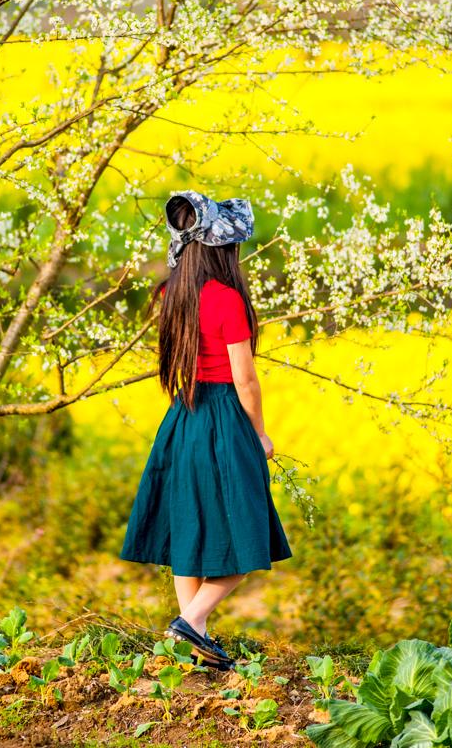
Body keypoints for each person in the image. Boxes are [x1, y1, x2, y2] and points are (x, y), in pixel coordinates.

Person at [119, 189, 293, 669]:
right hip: (222, 419)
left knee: (187, 534)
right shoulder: (227, 299)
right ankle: (191, 622)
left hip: (181, 418)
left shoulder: (170, 293)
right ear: (223, 248)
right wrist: (259, 434)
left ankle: (191, 642)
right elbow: (246, 379)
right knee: (246, 532)